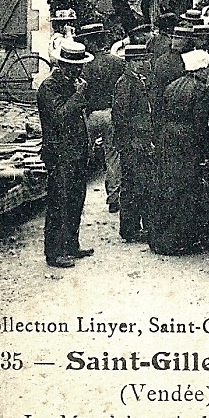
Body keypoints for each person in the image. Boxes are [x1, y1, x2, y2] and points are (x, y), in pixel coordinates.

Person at [37, 40, 94, 268]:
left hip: (77, 152)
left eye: (80, 66)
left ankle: (71, 244)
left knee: (75, 200)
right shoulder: (48, 88)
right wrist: (79, 96)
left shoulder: (71, 84)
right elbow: (60, 116)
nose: (78, 70)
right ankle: (54, 252)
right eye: (73, 66)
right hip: (59, 154)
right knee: (59, 203)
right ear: (61, 65)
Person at [150, 50, 209, 255]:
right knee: (185, 190)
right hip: (187, 140)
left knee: (167, 186)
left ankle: (160, 237)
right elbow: (200, 124)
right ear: (201, 69)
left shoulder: (172, 85)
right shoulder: (200, 89)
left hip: (169, 138)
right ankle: (178, 240)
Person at [77, 23, 125, 213]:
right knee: (112, 156)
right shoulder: (117, 62)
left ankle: (76, 197)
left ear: (89, 41)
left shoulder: (83, 65)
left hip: (89, 115)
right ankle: (113, 198)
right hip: (111, 113)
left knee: (81, 155)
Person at [111, 43, 155, 243]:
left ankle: (138, 227)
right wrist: (131, 141)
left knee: (141, 185)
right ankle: (129, 229)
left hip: (141, 141)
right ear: (128, 63)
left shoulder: (138, 81)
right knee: (131, 186)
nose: (140, 64)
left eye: (142, 60)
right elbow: (120, 117)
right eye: (136, 61)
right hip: (132, 143)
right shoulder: (124, 84)